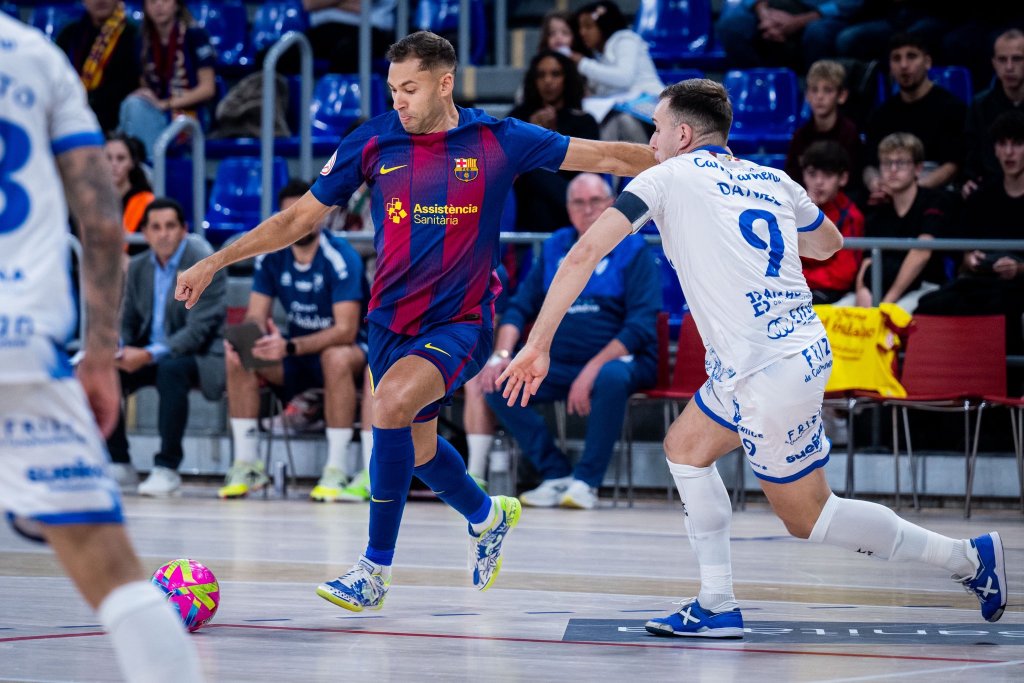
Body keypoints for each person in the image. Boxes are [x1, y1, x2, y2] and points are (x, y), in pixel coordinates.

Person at [500, 77, 1008, 638]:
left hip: (768, 367)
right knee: (686, 447)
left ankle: (967, 558)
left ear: (683, 134)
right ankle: (716, 602)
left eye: (657, 129)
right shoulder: (773, 178)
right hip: (776, 352)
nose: (652, 140)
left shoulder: (664, 176)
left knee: (809, 516)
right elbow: (830, 244)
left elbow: (583, 253)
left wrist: (537, 343)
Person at [175, 31, 657, 612]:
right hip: (389, 325)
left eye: (410, 88)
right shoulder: (374, 140)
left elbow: (605, 155)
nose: (398, 100)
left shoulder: (498, 141)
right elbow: (299, 217)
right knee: (420, 450)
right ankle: (486, 515)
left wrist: (688, 161)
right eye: (392, 89)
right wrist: (214, 259)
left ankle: (373, 569)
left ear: (444, 82)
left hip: (463, 320)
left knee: (392, 406)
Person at [0, 12, 203, 681]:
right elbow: (101, 220)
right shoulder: (35, 55)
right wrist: (98, 355)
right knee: (116, 577)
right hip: (22, 340)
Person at [482, 173, 659, 509]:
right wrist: (501, 355)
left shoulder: (633, 248)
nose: (588, 209)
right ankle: (556, 473)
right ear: (568, 208)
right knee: (498, 384)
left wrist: (592, 369)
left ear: (611, 204)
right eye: (579, 202)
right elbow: (520, 307)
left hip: (619, 360)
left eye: (596, 201)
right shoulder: (556, 246)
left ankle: (586, 482)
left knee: (611, 377)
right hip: (560, 363)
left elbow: (640, 326)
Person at [219, 180, 373, 502]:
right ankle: (247, 464)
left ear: (319, 215)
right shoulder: (271, 257)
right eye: (289, 214)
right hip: (296, 352)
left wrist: (289, 346)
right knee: (239, 356)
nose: (297, 220)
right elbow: (255, 316)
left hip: (350, 353)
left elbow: (346, 329)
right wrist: (250, 340)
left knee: (336, 357)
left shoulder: (340, 257)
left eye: (304, 213)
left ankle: (337, 468)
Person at [107, 198, 226, 496]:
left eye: (170, 226)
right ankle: (118, 461)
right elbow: (128, 320)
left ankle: (167, 467)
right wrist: (119, 349)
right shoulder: (137, 267)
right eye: (155, 227)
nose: (163, 234)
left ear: (184, 230)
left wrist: (147, 354)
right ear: (145, 233)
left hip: (199, 355)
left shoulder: (204, 263)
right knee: (106, 370)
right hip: (149, 353)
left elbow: (198, 332)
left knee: (170, 371)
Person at [918, 111, 1024, 359]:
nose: (1009, 152)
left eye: (1017, 144)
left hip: (1018, 285)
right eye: (1002, 144)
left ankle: (1007, 385)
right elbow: (963, 252)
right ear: (994, 149)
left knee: (1003, 310)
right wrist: (969, 260)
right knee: (930, 305)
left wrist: (1019, 269)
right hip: (983, 281)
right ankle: (941, 384)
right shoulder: (981, 197)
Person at [851, 133, 950, 312]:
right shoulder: (878, 208)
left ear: (918, 168)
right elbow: (867, 259)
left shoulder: (934, 200)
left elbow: (921, 254)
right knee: (841, 314)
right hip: (881, 287)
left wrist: (886, 303)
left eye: (901, 163)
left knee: (894, 318)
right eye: (887, 163)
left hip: (926, 287)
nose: (893, 169)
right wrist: (862, 291)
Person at [863, 34, 967, 194]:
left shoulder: (951, 108)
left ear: (927, 62)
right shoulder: (881, 114)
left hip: (935, 195)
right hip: (892, 193)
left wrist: (912, 192)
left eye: (911, 56)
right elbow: (869, 165)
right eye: (896, 59)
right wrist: (875, 184)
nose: (904, 65)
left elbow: (952, 165)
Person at [508, 50, 600, 232]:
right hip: (527, 202)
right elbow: (508, 164)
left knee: (536, 173)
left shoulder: (584, 120)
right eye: (541, 75)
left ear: (567, 79)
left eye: (555, 74)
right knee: (533, 176)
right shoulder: (519, 117)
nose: (548, 81)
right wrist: (533, 130)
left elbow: (588, 171)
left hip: (570, 195)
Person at [119, 0, 216, 160]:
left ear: (177, 4)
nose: (158, 6)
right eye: (152, 2)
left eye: (164, 0)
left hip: (190, 113)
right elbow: (145, 83)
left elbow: (208, 88)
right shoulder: (142, 40)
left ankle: (148, 170)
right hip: (159, 111)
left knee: (134, 109)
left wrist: (167, 104)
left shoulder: (194, 35)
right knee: (130, 105)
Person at [570, 1, 663, 143]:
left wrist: (583, 64)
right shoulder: (599, 57)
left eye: (588, 26)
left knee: (624, 121)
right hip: (629, 110)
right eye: (580, 28)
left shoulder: (625, 39)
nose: (582, 33)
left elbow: (624, 78)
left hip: (652, 105)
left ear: (604, 24)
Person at [57, 0, 142, 133]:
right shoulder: (69, 35)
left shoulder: (135, 36)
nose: (100, 1)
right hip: (71, 117)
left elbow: (130, 87)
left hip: (118, 123)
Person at [799, 141, 864, 304]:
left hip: (832, 294)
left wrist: (796, 278)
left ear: (843, 178)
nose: (819, 182)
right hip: (798, 287)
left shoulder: (851, 216)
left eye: (827, 175)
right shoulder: (791, 210)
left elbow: (841, 276)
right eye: (812, 174)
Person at [715, 0, 863, 70]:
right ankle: (757, 88)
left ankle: (815, 92)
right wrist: (764, 15)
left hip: (820, 15)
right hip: (771, 10)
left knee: (817, 33)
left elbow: (852, 4)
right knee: (731, 27)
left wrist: (798, 22)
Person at [783, 60, 861, 192]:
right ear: (807, 95)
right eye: (814, 90)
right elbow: (791, 181)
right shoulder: (800, 136)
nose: (819, 96)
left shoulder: (849, 133)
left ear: (841, 96)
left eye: (828, 90)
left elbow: (855, 181)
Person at [964, 29, 1024, 197]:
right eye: (1002, 60)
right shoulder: (980, 105)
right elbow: (972, 158)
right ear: (994, 64)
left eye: (1017, 59)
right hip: (991, 190)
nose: (1009, 67)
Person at [300, 0, 395, 74]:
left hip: (370, 28)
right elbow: (308, 3)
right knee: (290, 50)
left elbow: (362, 5)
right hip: (323, 28)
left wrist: (326, 4)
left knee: (346, 53)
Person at [105, 132, 154, 235]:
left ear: (132, 163)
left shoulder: (146, 201)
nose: (114, 164)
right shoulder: (91, 199)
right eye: (108, 158)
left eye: (121, 158)